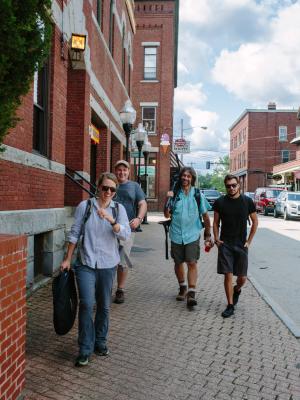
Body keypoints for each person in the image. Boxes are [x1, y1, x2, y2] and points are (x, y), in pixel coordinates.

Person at [61, 172, 131, 367]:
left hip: (108, 265)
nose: (108, 192)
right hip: (86, 263)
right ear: (98, 187)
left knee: (104, 306)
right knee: (86, 303)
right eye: (105, 188)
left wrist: (111, 221)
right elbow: (74, 234)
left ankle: (100, 342)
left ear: (115, 192)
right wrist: (67, 259)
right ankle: (84, 348)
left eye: (112, 189)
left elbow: (126, 234)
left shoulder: (118, 209)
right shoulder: (85, 206)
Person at [164, 166, 213, 308]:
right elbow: (167, 215)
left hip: (192, 234)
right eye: (183, 176)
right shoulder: (175, 193)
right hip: (176, 234)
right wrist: (168, 200)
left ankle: (191, 292)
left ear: (192, 179)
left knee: (192, 262)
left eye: (188, 176)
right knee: (178, 262)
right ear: (180, 177)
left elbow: (205, 216)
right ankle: (182, 287)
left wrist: (208, 235)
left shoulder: (197, 195)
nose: (185, 178)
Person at [213, 174, 258, 318]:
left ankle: (237, 289)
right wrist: (216, 238)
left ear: (238, 185)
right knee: (228, 274)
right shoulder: (220, 202)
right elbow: (215, 222)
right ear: (225, 187)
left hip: (241, 244)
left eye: (233, 185)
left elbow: (255, 222)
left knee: (242, 278)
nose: (231, 188)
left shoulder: (247, 201)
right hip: (225, 244)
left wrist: (249, 241)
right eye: (228, 186)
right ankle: (230, 305)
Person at [113, 160, 147, 304]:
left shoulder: (134, 186)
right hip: (108, 227)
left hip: (127, 228)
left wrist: (139, 218)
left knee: (122, 259)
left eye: (124, 170)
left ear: (128, 172)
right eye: (119, 170)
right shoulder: (110, 184)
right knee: (106, 259)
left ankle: (120, 289)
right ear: (116, 171)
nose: (122, 172)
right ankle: (104, 288)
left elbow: (142, 203)